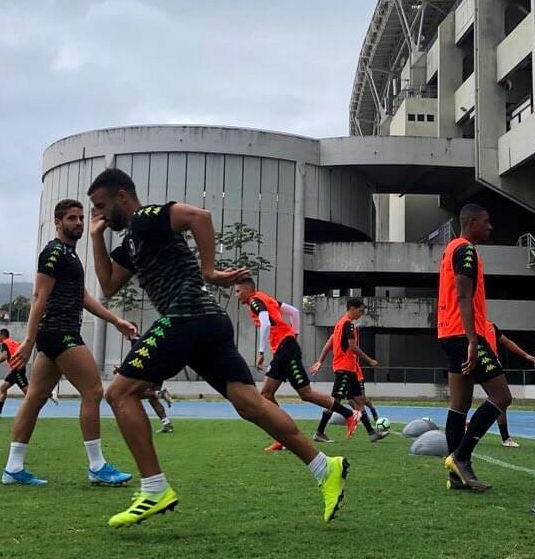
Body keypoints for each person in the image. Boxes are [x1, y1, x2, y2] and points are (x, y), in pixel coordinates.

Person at [88, 168, 349, 527]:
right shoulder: (131, 240)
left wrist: (209, 270)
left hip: (188, 314)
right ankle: (325, 467)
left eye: (101, 207)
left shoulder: (147, 218)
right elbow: (109, 284)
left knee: (118, 393)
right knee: (249, 403)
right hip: (207, 321)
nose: (99, 215)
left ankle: (154, 488)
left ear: (122, 197)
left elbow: (200, 216)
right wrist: (96, 238)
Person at [1, 199, 138, 488]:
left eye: (80, 218)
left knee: (35, 397)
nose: (77, 222)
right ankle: (97, 466)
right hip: (59, 332)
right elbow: (39, 297)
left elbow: (84, 297)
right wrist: (28, 339)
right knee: (93, 391)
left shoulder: (70, 255)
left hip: (55, 336)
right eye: (71, 218)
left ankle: (13, 468)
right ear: (58, 222)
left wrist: (116, 321)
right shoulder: (53, 252)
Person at [437, 204, 513, 492]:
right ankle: (461, 456)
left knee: (459, 405)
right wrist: (472, 339)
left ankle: (456, 476)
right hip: (464, 334)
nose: (490, 227)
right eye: (486, 221)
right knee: (502, 396)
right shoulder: (466, 249)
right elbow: (464, 295)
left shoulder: (451, 248)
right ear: (471, 222)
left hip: (448, 332)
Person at [235, 278, 357, 452]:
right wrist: (295, 334)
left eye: (238, 291)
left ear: (248, 290)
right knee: (266, 394)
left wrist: (261, 352)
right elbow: (293, 312)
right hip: (284, 349)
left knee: (306, 393)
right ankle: (282, 437)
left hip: (286, 350)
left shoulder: (254, 301)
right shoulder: (266, 298)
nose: (237, 295)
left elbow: (266, 322)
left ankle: (349, 415)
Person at [309, 298, 387, 443]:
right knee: (334, 401)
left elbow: (329, 343)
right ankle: (319, 432)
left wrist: (320, 361)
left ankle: (371, 433)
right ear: (352, 308)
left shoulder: (339, 324)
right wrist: (369, 360)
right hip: (344, 368)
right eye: (360, 310)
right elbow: (352, 347)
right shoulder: (348, 325)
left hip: (349, 370)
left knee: (358, 401)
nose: (361, 314)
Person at [487, 321, 535, 447]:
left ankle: (505, 437)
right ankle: (469, 427)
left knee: (501, 400)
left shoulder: (491, 325)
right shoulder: (469, 324)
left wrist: (525, 355)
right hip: (476, 363)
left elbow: (507, 342)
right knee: (499, 399)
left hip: (491, 364)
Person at [0, 329, 27, 418]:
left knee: (28, 393)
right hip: (17, 369)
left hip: (17, 370)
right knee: (3, 388)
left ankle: (50, 394)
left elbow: (4, 356)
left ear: (3, 335)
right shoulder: (13, 342)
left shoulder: (4, 343)